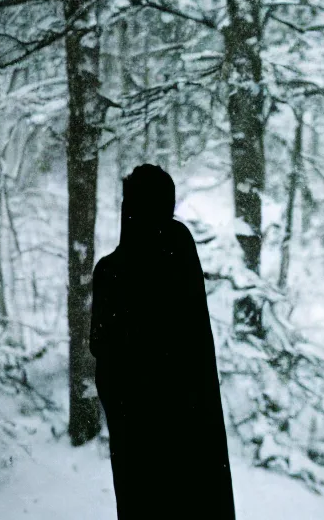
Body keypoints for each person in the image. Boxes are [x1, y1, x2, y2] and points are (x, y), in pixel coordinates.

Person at [90, 164, 236, 520]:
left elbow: (103, 350)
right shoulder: (177, 247)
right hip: (188, 425)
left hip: (140, 433)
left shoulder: (112, 272)